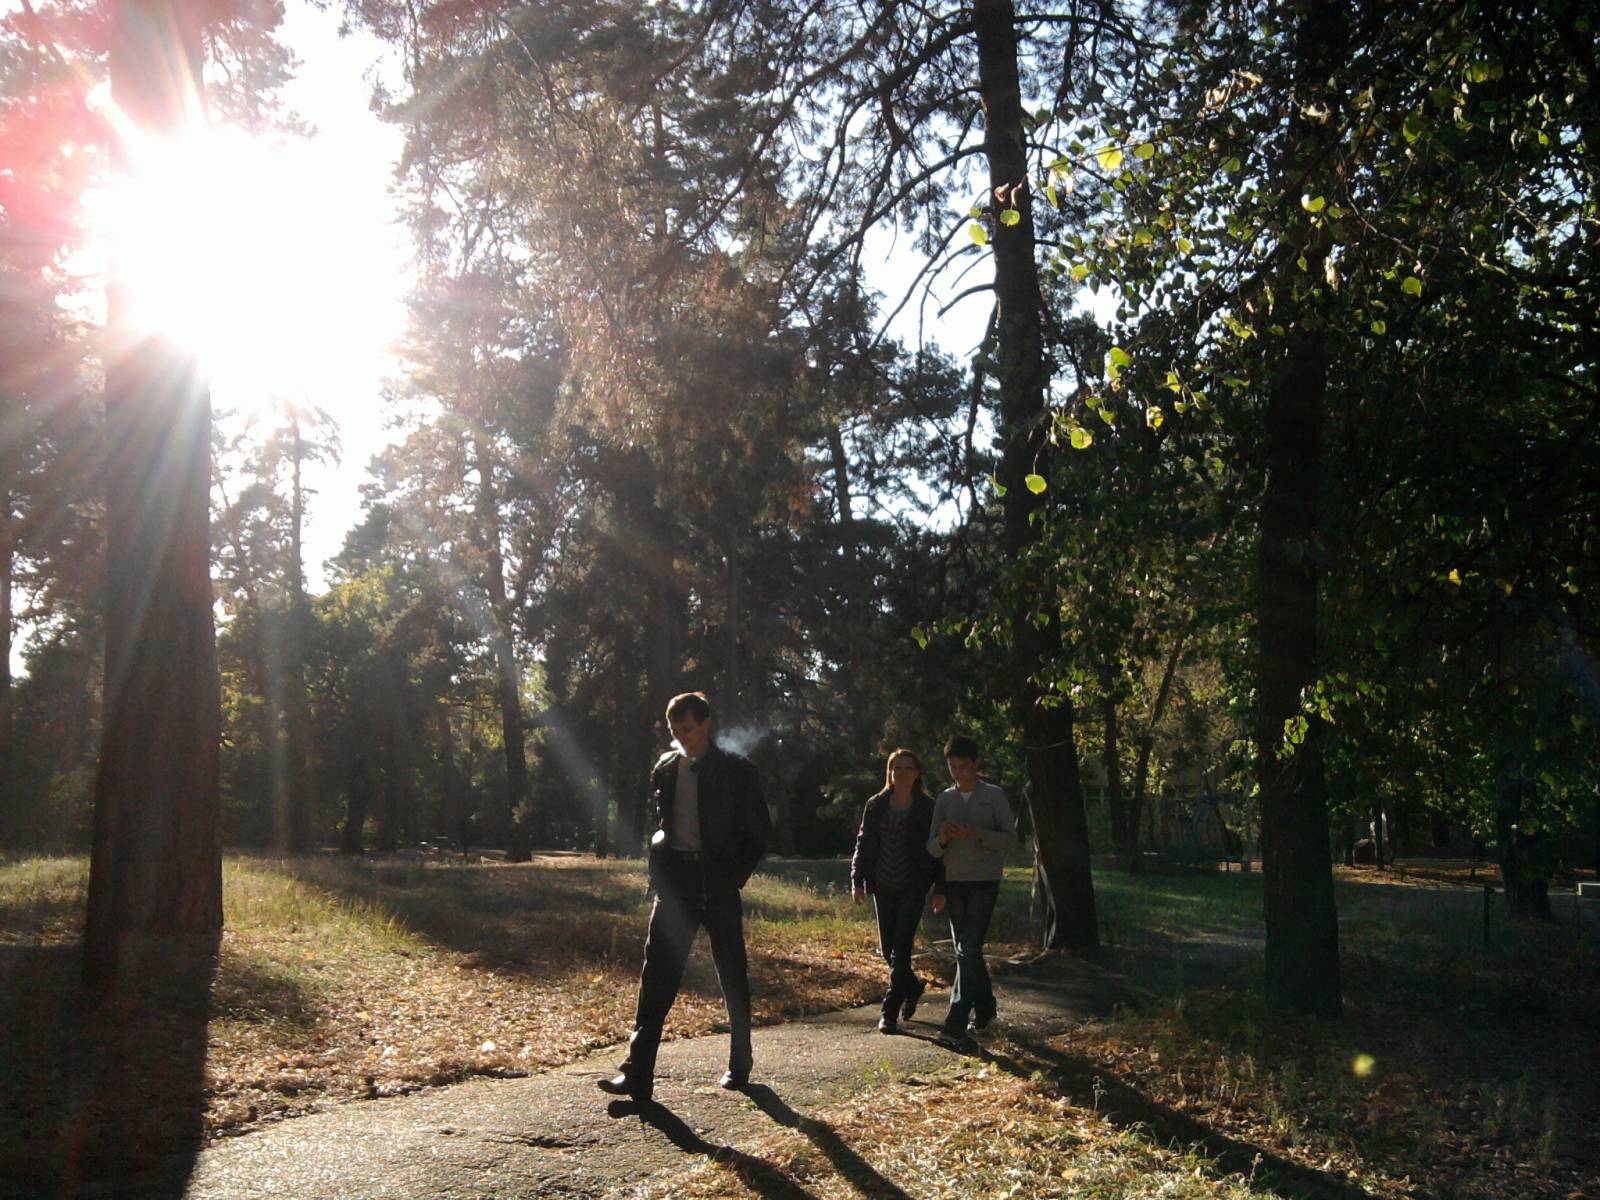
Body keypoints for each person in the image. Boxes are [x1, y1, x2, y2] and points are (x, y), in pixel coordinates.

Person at [598, 692, 771, 1103]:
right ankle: (638, 1072)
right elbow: (664, 823)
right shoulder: (665, 767)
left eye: (688, 728)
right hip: (675, 884)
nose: (681, 736)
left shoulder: (736, 770)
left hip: (719, 884)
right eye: (675, 730)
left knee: (731, 972)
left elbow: (759, 831)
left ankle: (740, 1062)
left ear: (706, 724)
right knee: (656, 975)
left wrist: (733, 877)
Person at [927, 734, 1017, 1044]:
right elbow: (931, 848)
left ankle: (955, 1019)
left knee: (967, 947)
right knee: (967, 951)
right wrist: (943, 838)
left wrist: (978, 833)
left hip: (984, 881)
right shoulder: (944, 799)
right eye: (952, 767)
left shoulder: (993, 796)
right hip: (954, 882)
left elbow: (1010, 840)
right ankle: (986, 1007)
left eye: (963, 766)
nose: (957, 772)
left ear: (976, 764)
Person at [850, 748, 944, 1033]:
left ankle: (889, 1012)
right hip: (882, 886)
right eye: (897, 768)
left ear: (917, 774)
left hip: (912, 887)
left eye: (908, 768)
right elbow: (863, 843)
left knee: (900, 950)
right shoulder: (876, 804)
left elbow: (939, 850)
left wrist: (940, 887)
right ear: (890, 773)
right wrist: (857, 880)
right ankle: (913, 987)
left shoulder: (928, 807)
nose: (902, 773)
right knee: (887, 950)